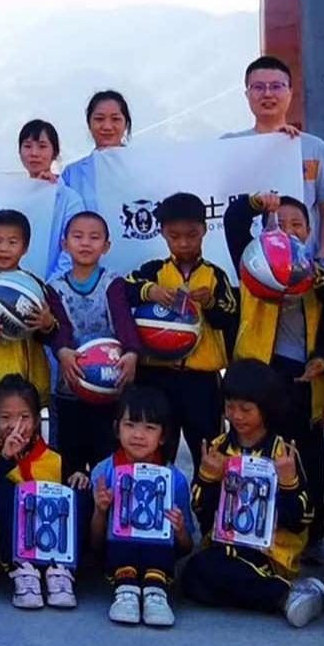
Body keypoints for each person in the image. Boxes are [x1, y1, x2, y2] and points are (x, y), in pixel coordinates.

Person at [179, 360, 324, 628]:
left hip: (270, 552)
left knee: (223, 574)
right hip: (224, 546)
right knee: (192, 576)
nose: (236, 416)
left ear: (266, 408)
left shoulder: (283, 453)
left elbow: (302, 519)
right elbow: (201, 509)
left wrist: (288, 482)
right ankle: (287, 596)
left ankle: (281, 591)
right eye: (230, 407)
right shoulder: (218, 448)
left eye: (246, 409)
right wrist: (208, 477)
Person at [224, 191, 324, 543]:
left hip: (304, 377)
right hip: (262, 373)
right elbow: (233, 221)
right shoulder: (253, 264)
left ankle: (311, 528)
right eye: (280, 223)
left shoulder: (320, 278)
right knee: (257, 448)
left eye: (297, 224)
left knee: (307, 454)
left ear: (309, 231)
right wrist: (256, 204)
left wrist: (323, 358)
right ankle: (251, 527)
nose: (289, 230)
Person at [123, 192, 240, 471]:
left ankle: (209, 507)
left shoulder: (215, 275)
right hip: (155, 377)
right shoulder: (154, 271)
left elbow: (230, 317)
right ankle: (155, 509)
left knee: (208, 450)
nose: (184, 243)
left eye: (192, 235)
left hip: (201, 381)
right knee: (155, 452)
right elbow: (124, 290)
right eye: (174, 236)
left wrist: (210, 303)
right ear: (162, 233)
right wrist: (149, 291)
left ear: (204, 230)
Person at [0, 376, 78, 610]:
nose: (15, 425)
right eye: (5, 417)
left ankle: (60, 571)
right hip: (7, 545)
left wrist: (80, 478)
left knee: (79, 493)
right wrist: (4, 458)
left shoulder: (54, 458)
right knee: (3, 489)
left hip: (50, 541)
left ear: (38, 419)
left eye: (24, 417)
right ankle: (21, 570)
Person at [88, 387, 193, 627]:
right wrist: (100, 511)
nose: (138, 434)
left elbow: (186, 546)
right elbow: (95, 544)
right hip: (116, 554)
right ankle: (125, 590)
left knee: (156, 542)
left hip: (160, 558)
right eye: (131, 424)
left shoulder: (174, 479)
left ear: (163, 436)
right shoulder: (103, 473)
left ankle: (157, 592)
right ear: (117, 428)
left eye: (150, 427)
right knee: (123, 538)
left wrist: (178, 530)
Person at [48, 210, 141, 480]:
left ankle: (104, 516)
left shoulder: (113, 282)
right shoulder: (55, 287)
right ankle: (74, 515)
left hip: (109, 387)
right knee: (70, 462)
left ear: (107, 245)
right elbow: (59, 326)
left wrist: (132, 353)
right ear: (64, 244)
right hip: (71, 386)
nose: (86, 243)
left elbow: (124, 320)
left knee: (107, 458)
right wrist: (63, 351)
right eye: (77, 237)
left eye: (94, 237)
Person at [221, 56, 324, 260]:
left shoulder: (314, 147)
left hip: (304, 267)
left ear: (290, 92)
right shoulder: (228, 146)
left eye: (276, 86)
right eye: (258, 87)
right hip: (246, 265)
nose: (268, 94)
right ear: (247, 94)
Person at [0, 209, 57, 450]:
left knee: (30, 452)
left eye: (12, 242)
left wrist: (47, 325)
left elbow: (50, 334)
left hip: (28, 388)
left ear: (25, 247)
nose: (4, 248)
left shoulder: (36, 287)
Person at [17, 118, 86, 280]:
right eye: (27, 146)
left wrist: (51, 286)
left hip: (54, 288)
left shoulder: (70, 199)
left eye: (42, 146)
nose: (34, 153)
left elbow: (72, 250)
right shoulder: (12, 195)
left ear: (54, 153)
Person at [59, 90, 131, 218]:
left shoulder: (143, 167)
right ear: (89, 124)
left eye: (115, 119)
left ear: (125, 124)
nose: (107, 126)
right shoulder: (72, 174)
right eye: (99, 119)